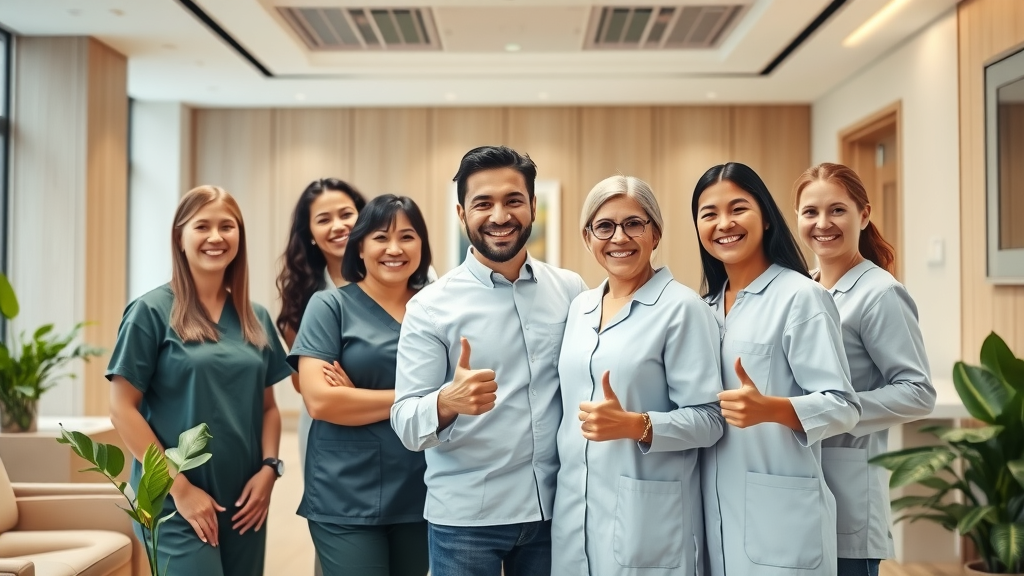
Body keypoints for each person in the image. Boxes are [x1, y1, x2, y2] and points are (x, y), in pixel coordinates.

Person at [390, 145, 587, 576]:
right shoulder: (429, 306)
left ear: (533, 206)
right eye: (483, 203)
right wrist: (447, 402)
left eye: (513, 200)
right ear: (462, 214)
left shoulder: (571, 290)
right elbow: (405, 421)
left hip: (557, 511)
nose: (500, 216)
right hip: (466, 520)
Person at [107, 185, 292, 576]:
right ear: (180, 236)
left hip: (244, 499)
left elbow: (269, 408)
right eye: (202, 226)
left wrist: (269, 469)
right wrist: (181, 490)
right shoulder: (150, 312)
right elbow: (121, 409)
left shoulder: (254, 316)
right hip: (173, 500)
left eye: (227, 226)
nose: (215, 237)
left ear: (239, 237)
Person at [691, 162, 861, 576]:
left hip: (782, 521)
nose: (723, 223)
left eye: (738, 208)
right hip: (713, 520)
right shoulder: (703, 309)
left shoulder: (801, 297)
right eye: (709, 214)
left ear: (766, 217)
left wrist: (772, 409)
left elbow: (843, 406)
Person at [552, 175, 725, 576]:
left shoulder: (681, 308)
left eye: (634, 223)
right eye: (605, 226)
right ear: (587, 237)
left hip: (649, 522)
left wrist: (636, 424)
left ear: (656, 233)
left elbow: (711, 421)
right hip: (574, 519)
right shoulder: (579, 308)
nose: (619, 238)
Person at [794, 163, 935, 576]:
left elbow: (917, 391)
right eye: (810, 212)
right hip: (798, 489)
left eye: (837, 210)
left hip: (849, 495)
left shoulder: (880, 294)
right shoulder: (803, 287)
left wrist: (832, 410)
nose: (823, 224)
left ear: (864, 214)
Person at [289, 194, 432, 576]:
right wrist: (422, 401)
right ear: (361, 246)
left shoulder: (437, 310)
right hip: (345, 492)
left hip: (421, 490)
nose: (395, 249)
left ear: (423, 245)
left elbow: (460, 395)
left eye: (407, 236)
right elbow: (320, 401)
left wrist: (357, 396)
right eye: (381, 237)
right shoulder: (329, 307)